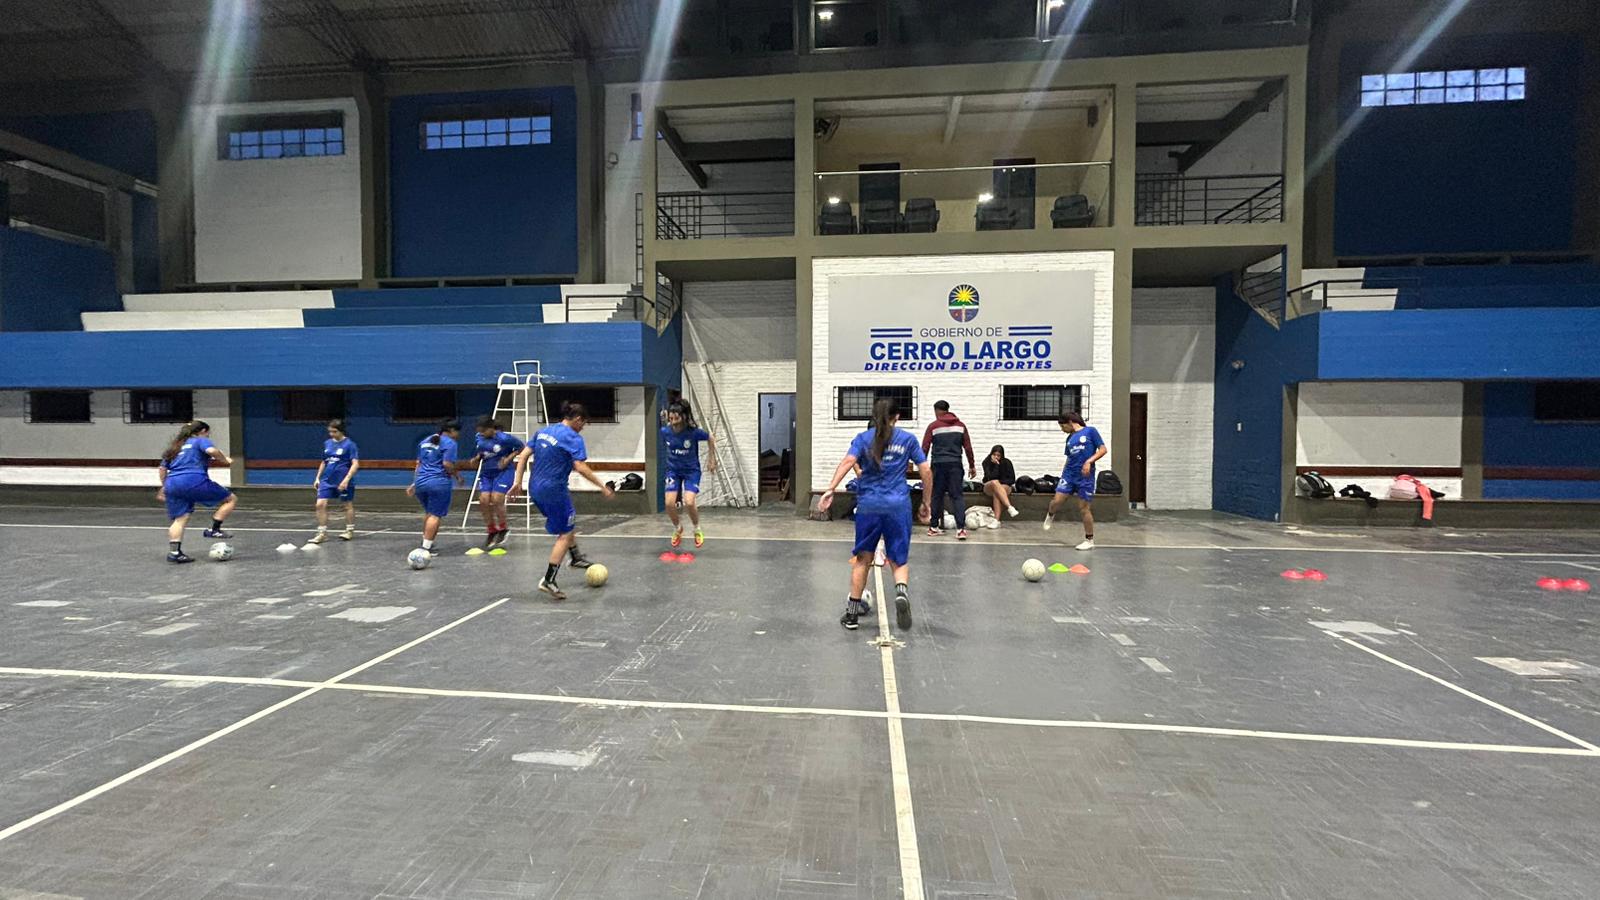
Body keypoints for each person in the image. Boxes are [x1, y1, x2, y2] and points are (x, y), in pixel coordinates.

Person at [820, 398, 932, 632]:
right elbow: (926, 470)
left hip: (869, 506)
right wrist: (926, 502)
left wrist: (830, 489)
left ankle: (852, 616)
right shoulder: (907, 439)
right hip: (898, 505)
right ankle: (901, 592)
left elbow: (848, 461)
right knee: (898, 559)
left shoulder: (863, 439)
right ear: (897, 417)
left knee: (863, 559)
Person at [509, 402, 614, 600]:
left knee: (568, 520)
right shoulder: (573, 438)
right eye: (583, 423)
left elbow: (522, 457)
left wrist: (517, 483)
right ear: (577, 419)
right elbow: (580, 467)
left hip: (535, 488)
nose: (583, 427)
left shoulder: (544, 431)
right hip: (554, 490)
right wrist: (602, 486)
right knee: (565, 533)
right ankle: (549, 579)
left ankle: (575, 557)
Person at [156, 421, 236, 563]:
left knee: (180, 519)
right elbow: (211, 451)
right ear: (203, 431)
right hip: (194, 480)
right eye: (208, 432)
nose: (208, 435)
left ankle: (175, 552)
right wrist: (225, 460)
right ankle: (214, 529)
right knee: (230, 499)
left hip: (172, 483)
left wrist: (165, 487)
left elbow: (162, 469)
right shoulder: (200, 441)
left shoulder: (175, 446)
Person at [1044, 411, 1106, 550]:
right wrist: (1063, 474)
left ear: (1070, 422)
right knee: (1056, 501)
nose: (1062, 430)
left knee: (1084, 509)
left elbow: (1103, 450)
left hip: (1085, 478)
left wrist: (1088, 462)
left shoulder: (1091, 431)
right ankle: (1050, 514)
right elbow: (1069, 458)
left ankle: (1089, 540)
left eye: (1062, 426)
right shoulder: (1069, 438)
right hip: (1069, 476)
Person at [660, 399, 717, 549]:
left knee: (689, 502)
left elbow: (711, 438)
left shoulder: (693, 433)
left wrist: (712, 459)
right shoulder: (665, 432)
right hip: (673, 471)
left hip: (691, 471)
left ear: (684, 416)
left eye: (676, 418)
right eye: (670, 419)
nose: (673, 422)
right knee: (669, 503)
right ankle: (678, 528)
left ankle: (697, 529)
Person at [405, 419, 464, 557]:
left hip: (421, 482)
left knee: (429, 512)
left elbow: (419, 464)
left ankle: (425, 542)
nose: (458, 435)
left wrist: (414, 483)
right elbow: (447, 464)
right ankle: (425, 549)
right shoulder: (450, 443)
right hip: (438, 482)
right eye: (457, 431)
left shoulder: (425, 441)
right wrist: (458, 476)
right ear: (451, 431)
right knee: (435, 515)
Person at [921, 399, 976, 540]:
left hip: (938, 465)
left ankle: (933, 527)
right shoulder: (960, 426)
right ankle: (961, 529)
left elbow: (925, 447)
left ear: (937, 411)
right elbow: (968, 447)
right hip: (955, 465)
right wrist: (972, 465)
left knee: (937, 495)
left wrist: (922, 464)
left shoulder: (933, 426)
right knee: (957, 496)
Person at [470, 415, 526, 551]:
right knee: (483, 500)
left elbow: (521, 447)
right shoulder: (480, 437)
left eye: (484, 431)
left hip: (503, 472)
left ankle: (503, 528)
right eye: (480, 431)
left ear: (491, 428)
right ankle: (491, 529)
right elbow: (483, 452)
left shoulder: (504, 438)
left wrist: (508, 458)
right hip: (487, 473)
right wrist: (477, 458)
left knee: (497, 498)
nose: (481, 434)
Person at [309, 418, 359, 544]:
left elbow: (355, 464)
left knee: (347, 505)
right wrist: (317, 477)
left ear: (341, 431)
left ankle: (349, 530)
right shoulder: (327, 444)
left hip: (342, 481)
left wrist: (346, 480)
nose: (332, 434)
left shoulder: (350, 445)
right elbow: (324, 462)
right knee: (320, 504)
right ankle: (322, 533)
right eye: (330, 432)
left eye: (334, 431)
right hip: (327, 480)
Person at [981, 444, 1018, 526]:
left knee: (996, 492)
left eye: (998, 455)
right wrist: (996, 465)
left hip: (1004, 486)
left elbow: (1012, 479)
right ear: (991, 454)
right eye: (994, 455)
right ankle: (1009, 507)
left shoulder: (1007, 462)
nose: (996, 457)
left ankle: (996, 521)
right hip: (989, 486)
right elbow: (990, 477)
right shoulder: (986, 462)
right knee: (994, 482)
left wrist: (1000, 484)